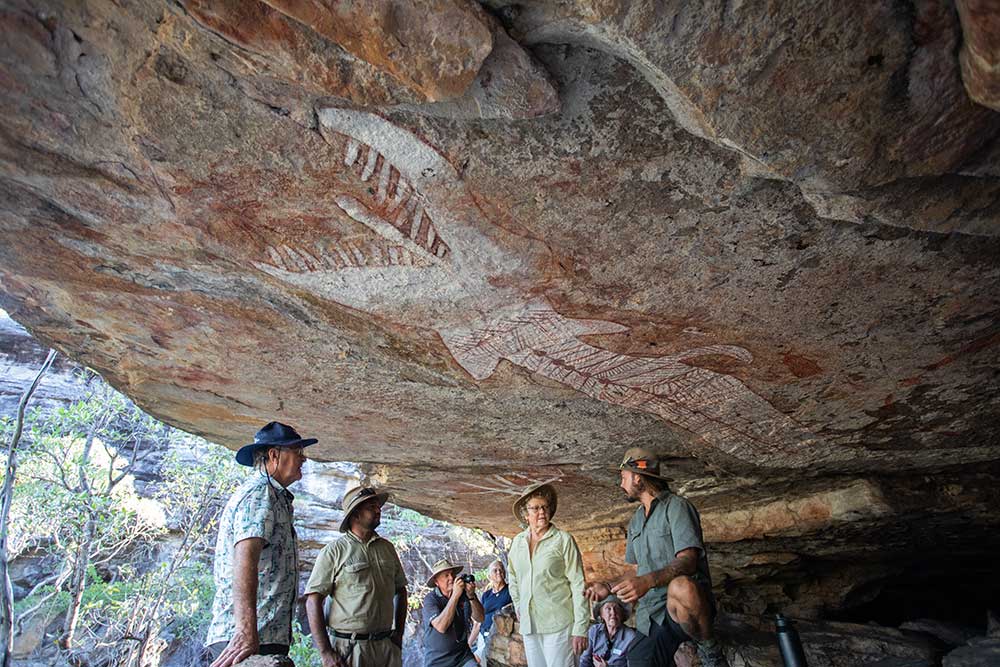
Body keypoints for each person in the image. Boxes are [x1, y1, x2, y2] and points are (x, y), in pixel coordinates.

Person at [584, 448, 729, 667]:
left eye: (624, 478)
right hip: (652, 614)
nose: (621, 484)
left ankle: (710, 650)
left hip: (684, 608)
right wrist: (608, 586)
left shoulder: (677, 507)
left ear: (638, 478)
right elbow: (636, 570)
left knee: (681, 586)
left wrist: (648, 581)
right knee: (638, 660)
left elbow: (688, 561)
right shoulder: (636, 521)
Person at [204, 421, 318, 667]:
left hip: (262, 635)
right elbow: (245, 561)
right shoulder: (259, 494)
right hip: (244, 640)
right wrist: (246, 631)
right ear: (274, 455)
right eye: (297, 452)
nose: (303, 459)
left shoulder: (274, 496)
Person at [304, 486, 407, 667]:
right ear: (355, 515)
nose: (378, 510)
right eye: (371, 507)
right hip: (349, 648)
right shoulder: (334, 552)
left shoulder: (387, 548)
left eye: (378, 506)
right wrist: (326, 652)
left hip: (386, 646)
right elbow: (313, 600)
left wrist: (398, 634)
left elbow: (401, 591)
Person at [508, 483, 589, 667]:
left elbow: (579, 584)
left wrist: (580, 628)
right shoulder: (518, 542)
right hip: (530, 625)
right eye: (536, 508)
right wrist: (519, 604)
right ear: (525, 514)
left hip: (559, 623)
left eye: (545, 507)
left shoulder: (563, 540)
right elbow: (513, 577)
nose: (542, 512)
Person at [422, 559, 485, 667]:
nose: (451, 578)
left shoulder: (463, 594)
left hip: (462, 656)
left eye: (452, 574)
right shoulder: (430, 600)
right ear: (437, 582)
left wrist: (471, 596)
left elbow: (480, 618)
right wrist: (455, 595)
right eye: (446, 575)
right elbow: (441, 627)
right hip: (438, 661)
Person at [470, 559, 513, 665]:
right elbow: (478, 622)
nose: (499, 572)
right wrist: (468, 644)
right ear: (489, 576)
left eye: (501, 569)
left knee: (477, 659)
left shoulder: (510, 590)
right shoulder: (486, 595)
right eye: (495, 570)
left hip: (499, 636)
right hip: (482, 635)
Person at [578, 596, 638, 667]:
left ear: (622, 614)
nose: (613, 612)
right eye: (608, 609)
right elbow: (585, 660)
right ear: (601, 614)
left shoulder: (631, 637)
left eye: (616, 608)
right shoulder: (594, 631)